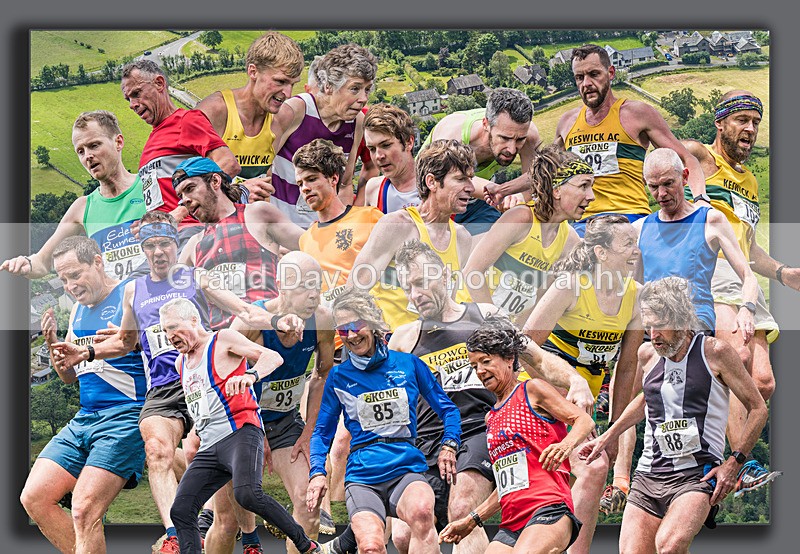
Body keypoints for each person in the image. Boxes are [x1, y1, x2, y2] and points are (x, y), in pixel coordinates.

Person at [49, 212, 280, 553]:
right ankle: (176, 533)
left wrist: (280, 317)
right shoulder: (135, 291)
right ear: (143, 249)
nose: (158, 252)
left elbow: (246, 311)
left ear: (176, 246)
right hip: (163, 389)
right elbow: (125, 343)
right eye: (151, 245)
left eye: (165, 244)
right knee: (156, 450)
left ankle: (250, 537)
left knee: (226, 493)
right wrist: (86, 354)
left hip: (204, 380)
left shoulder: (196, 279)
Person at [579, 276, 769, 553]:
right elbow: (644, 400)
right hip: (648, 476)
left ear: (681, 320)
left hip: (696, 475)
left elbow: (758, 408)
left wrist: (734, 462)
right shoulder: (649, 354)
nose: (653, 334)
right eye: (649, 326)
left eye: (660, 326)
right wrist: (607, 436)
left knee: (669, 545)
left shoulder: (714, 352)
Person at [522, 214, 644, 554]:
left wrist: (616, 429)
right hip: (545, 395)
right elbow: (525, 345)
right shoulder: (571, 286)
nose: (636, 252)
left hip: (584, 407)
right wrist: (567, 387)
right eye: (627, 246)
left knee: (594, 467)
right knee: (593, 468)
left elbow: (628, 365)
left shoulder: (635, 296)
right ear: (601, 254)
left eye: (636, 244)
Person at [159, 297, 321, 554]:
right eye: (165, 331)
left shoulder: (222, 340)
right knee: (181, 510)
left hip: (241, 432)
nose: (170, 336)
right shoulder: (181, 363)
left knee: (247, 494)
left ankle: (305, 543)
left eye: (173, 327)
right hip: (210, 447)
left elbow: (272, 357)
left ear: (193, 320)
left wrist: (251, 375)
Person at [682, 91, 785, 492]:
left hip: (746, 281)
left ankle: (734, 461)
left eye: (755, 122)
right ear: (720, 123)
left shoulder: (750, 182)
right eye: (741, 119)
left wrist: (784, 272)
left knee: (762, 383)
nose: (751, 129)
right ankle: (736, 464)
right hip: (711, 274)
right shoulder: (701, 157)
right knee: (735, 356)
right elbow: (663, 147)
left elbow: (752, 248)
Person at [306, 288, 462, 554]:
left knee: (424, 515)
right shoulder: (339, 376)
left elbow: (449, 410)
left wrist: (450, 443)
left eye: (356, 325)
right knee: (370, 546)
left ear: (373, 322)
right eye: (343, 330)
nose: (352, 335)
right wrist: (318, 473)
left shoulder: (408, 364)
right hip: (363, 474)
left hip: (405, 468)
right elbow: (322, 433)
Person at [20, 236, 147, 554]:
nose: (70, 285)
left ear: (98, 263)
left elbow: (163, 350)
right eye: (63, 280)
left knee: (84, 508)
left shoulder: (129, 296)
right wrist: (52, 344)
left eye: (75, 275)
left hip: (125, 416)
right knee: (34, 497)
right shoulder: (76, 310)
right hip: (85, 417)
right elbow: (69, 377)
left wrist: (133, 341)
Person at [439, 317, 595, 553]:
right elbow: (505, 487)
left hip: (548, 509)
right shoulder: (490, 418)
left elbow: (583, 420)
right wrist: (471, 520)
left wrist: (566, 445)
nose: (480, 371)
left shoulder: (532, 390)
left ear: (509, 359)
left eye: (486, 361)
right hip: (512, 523)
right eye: (474, 366)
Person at [294, 138, 384, 533]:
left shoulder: (371, 219)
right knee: (324, 433)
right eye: (299, 183)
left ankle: (355, 515)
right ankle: (329, 519)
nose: (305, 189)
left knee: (351, 438)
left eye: (312, 180)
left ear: (334, 178)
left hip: (369, 343)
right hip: (329, 349)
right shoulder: (305, 238)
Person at [230, 251, 336, 553]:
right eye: (305, 286)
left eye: (318, 285)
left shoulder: (323, 319)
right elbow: (221, 376)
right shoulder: (251, 322)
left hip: (285, 420)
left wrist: (309, 431)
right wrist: (252, 428)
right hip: (239, 419)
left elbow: (322, 374)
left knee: (309, 501)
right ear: (282, 286)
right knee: (226, 520)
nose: (314, 294)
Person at [555, 44, 708, 236]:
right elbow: (542, 172)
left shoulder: (637, 114)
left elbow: (687, 159)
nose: (586, 83)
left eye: (594, 74)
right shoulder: (567, 122)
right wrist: (507, 191)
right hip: (583, 225)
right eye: (579, 77)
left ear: (611, 73)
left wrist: (701, 201)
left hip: (629, 218)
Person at [2, 110, 146, 281]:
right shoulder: (82, 208)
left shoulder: (150, 184)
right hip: (118, 303)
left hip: (158, 296)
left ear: (118, 142)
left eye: (94, 145)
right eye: (80, 151)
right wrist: (26, 263)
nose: (88, 157)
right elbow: (43, 262)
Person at [348, 139, 474, 331]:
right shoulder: (397, 226)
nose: (471, 188)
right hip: (390, 345)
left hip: (432, 346)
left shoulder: (462, 238)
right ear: (431, 182)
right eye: (460, 179)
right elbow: (354, 290)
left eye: (470, 179)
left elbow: (450, 304)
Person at [463, 144, 591, 325]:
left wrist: (515, 336)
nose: (591, 196)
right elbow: (472, 272)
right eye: (584, 186)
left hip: (505, 331)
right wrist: (495, 325)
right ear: (557, 190)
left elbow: (540, 298)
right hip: (473, 318)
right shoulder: (521, 218)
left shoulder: (569, 240)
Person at [636, 148, 759, 336]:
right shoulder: (641, 227)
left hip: (694, 322)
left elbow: (748, 276)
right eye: (653, 187)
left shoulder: (711, 220)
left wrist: (747, 309)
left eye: (668, 184)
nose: (661, 194)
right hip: (653, 326)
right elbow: (634, 286)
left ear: (685, 177)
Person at [175, 156, 304, 330]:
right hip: (221, 342)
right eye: (181, 196)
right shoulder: (193, 244)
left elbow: (309, 246)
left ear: (215, 181)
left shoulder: (257, 214)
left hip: (266, 329)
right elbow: (174, 298)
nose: (185, 200)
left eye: (190, 188)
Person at [120, 59, 241, 240]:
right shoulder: (152, 140)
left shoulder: (186, 121)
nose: (132, 104)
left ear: (159, 83)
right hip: (162, 239)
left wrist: (182, 211)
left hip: (192, 232)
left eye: (137, 93)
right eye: (128, 98)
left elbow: (228, 164)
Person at [271, 43, 377, 228]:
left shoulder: (357, 122)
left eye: (367, 89)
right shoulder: (296, 110)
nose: (363, 98)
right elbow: (261, 173)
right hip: (282, 226)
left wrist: (339, 229)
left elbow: (344, 185)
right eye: (355, 88)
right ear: (328, 86)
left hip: (322, 232)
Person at [196, 31, 305, 203]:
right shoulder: (215, 110)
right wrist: (241, 193)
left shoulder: (283, 116)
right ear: (253, 72)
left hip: (253, 221)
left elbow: (264, 177)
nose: (288, 94)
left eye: (292, 84)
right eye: (280, 81)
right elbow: (187, 186)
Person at [420, 88, 541, 235]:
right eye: (504, 138)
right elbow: (446, 180)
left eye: (519, 139)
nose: (512, 149)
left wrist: (518, 198)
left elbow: (533, 179)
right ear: (486, 124)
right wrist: (503, 192)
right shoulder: (453, 133)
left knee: (496, 240)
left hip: (478, 203)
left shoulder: (529, 135)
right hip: (433, 198)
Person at [362, 103, 421, 213]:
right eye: (372, 149)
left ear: (409, 142)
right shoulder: (373, 189)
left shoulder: (437, 187)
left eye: (386, 145)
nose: (379, 156)